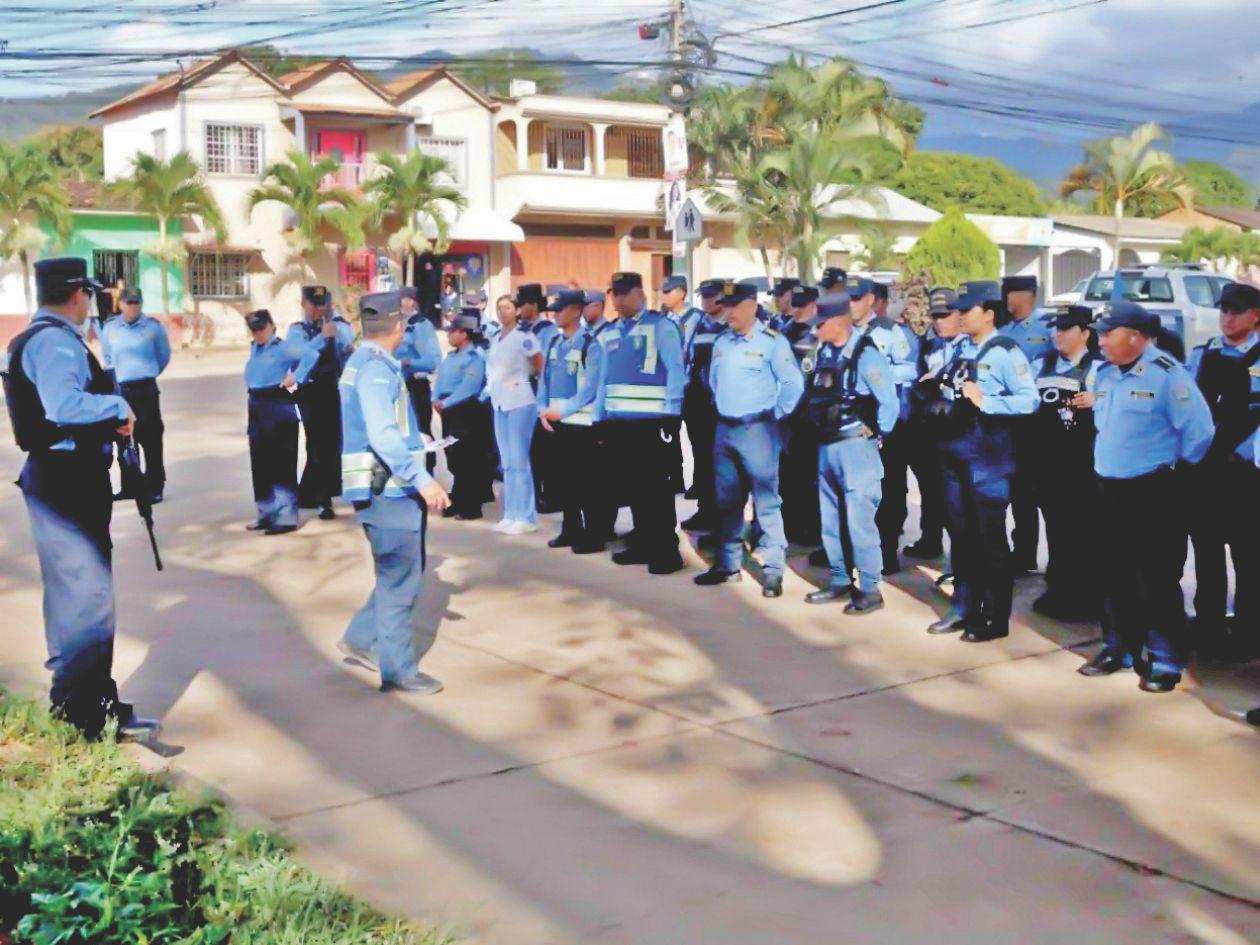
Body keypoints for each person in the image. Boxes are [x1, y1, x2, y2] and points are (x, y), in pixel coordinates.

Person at [3, 257, 159, 741]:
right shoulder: (54, 342)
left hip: (60, 478)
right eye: (87, 295)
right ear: (77, 295)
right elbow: (63, 405)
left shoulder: (40, 337)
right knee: (88, 600)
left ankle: (87, 701)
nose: (89, 304)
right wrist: (117, 406)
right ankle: (85, 714)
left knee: (74, 597)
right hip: (66, 481)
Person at [1082, 301, 1214, 692]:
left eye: (1109, 332)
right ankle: (1119, 645)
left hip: (1153, 491)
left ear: (1136, 337)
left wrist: (1170, 470)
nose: (1100, 339)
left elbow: (1200, 433)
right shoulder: (1104, 374)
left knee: (1157, 577)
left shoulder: (1168, 376)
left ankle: (1164, 656)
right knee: (1114, 572)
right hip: (1110, 487)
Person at [337, 291, 450, 695]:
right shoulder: (378, 370)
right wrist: (422, 478)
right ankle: (399, 670)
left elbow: (385, 425)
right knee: (401, 583)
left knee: (393, 577)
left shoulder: (362, 362)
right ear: (398, 327)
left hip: (374, 486)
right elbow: (382, 434)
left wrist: (415, 438)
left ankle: (361, 638)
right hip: (390, 488)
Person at [926, 290, 1038, 642]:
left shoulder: (1005, 351)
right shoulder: (962, 349)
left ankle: (994, 616)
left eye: (967, 310)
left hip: (987, 458)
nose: (960, 315)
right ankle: (964, 606)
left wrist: (988, 401)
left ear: (988, 313)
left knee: (989, 540)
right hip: (955, 451)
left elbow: (1029, 399)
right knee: (961, 536)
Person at [694, 281, 804, 596]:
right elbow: (714, 382)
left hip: (758, 429)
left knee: (766, 502)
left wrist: (775, 415)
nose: (727, 312)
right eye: (724, 306)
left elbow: (792, 384)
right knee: (727, 502)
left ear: (751, 306)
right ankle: (727, 565)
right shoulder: (722, 343)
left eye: (733, 306)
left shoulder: (773, 342)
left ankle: (772, 570)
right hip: (725, 428)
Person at [800, 293, 900, 612]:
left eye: (822, 323)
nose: (817, 329)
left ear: (839, 321)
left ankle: (870, 589)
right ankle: (840, 580)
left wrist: (878, 433)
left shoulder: (866, 353)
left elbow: (889, 402)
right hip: (827, 446)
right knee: (829, 521)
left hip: (856, 447)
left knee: (860, 523)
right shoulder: (824, 351)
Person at [1186, 282, 1260, 661]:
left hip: (1247, 476)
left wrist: (1243, 454)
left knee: (1249, 560)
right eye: (1224, 310)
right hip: (1205, 472)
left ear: (1255, 315)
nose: (1228, 318)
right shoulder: (1203, 354)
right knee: (1207, 554)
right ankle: (1210, 627)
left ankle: (1248, 634)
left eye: (1237, 311)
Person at [594, 271, 686, 574]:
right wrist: (600, 418)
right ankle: (644, 544)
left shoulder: (661, 326)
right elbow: (602, 379)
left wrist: (672, 414)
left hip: (652, 423)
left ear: (640, 293)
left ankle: (666, 552)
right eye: (614, 294)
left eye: (624, 293)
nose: (618, 300)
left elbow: (675, 370)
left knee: (656, 491)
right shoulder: (608, 332)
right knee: (633, 489)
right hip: (620, 424)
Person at [1028, 305, 1103, 621]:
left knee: (1083, 532)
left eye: (1066, 328)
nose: (1058, 334)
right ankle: (1058, 589)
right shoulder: (1040, 365)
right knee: (1056, 530)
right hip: (1048, 464)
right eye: (1056, 328)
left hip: (1082, 467)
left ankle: (1085, 595)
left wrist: (1098, 401)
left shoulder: (1099, 369)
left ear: (1085, 333)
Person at [849, 277, 917, 575]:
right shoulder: (842, 330)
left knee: (888, 487)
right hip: (853, 419)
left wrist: (876, 373)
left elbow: (908, 369)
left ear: (871, 300)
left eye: (856, 298)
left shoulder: (890, 331)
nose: (849, 304)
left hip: (886, 417)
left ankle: (887, 550)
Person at [538, 288, 606, 551]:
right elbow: (544, 380)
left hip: (581, 424)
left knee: (586, 483)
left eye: (561, 309)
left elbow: (589, 389)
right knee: (563, 481)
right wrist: (542, 410)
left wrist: (563, 410)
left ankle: (593, 535)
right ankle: (571, 528)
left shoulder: (590, 345)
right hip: (556, 423)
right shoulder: (554, 343)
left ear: (576, 311)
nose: (555, 314)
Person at [1000, 275, 1054, 574]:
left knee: (1031, 490)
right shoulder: (1004, 330)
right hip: (1007, 420)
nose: (1009, 298)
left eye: (1013, 292)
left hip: (1034, 422)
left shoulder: (1046, 329)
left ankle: (1033, 552)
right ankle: (1021, 552)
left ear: (1028, 294)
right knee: (1016, 491)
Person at [287, 285, 354, 520]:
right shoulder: (298, 329)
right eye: (314, 304)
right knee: (316, 443)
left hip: (334, 390)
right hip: (310, 391)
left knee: (332, 443)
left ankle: (317, 492)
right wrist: (320, 338)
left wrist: (332, 326)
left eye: (322, 304)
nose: (318, 308)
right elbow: (295, 352)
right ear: (303, 304)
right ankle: (322, 498)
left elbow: (348, 341)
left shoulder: (337, 324)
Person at [904, 287, 961, 560]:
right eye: (935, 316)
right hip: (932, 427)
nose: (939, 322)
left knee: (958, 501)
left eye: (945, 315)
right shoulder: (931, 345)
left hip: (962, 430)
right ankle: (931, 539)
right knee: (930, 487)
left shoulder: (970, 347)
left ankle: (961, 563)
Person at [100, 287, 171, 502]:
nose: (133, 307)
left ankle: (154, 487)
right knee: (124, 440)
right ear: (120, 304)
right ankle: (130, 485)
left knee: (150, 440)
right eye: (129, 303)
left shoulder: (153, 328)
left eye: (136, 303)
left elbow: (163, 356)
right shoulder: (110, 328)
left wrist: (146, 373)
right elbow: (107, 357)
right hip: (121, 392)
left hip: (145, 390)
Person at [485, 291, 544, 534]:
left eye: (508, 307)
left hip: (520, 399)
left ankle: (526, 516)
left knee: (520, 460)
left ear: (517, 311)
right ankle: (511, 512)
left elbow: (539, 365)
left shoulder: (524, 336)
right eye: (499, 308)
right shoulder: (496, 337)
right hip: (500, 401)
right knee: (507, 461)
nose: (503, 312)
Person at [243, 309, 301, 535]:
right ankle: (266, 513)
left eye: (261, 328)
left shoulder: (283, 347)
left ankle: (286, 517)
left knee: (281, 461)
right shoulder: (255, 348)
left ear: (271, 326)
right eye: (254, 330)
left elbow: (310, 356)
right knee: (260, 461)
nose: (258, 333)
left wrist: (296, 377)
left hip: (277, 403)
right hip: (256, 405)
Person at [679, 278, 727, 537]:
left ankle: (718, 515)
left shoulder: (728, 326)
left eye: (712, 296)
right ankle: (705, 509)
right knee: (701, 456)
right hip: (696, 398)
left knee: (717, 460)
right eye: (704, 296)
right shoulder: (698, 324)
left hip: (717, 401)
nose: (707, 301)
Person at [433, 310, 489, 521]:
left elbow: (469, 387)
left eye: (453, 331)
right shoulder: (451, 357)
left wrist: (446, 402)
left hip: (464, 409)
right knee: (453, 456)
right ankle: (458, 499)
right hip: (447, 409)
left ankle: (470, 505)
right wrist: (435, 399)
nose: (449, 335)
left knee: (467, 458)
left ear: (465, 334)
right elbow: (440, 381)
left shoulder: (474, 357)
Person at [780, 285, 823, 548]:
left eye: (802, 303)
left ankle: (810, 529)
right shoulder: (786, 330)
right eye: (794, 302)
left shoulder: (818, 333)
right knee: (789, 475)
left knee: (809, 476)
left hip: (810, 415)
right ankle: (793, 525)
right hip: (788, 415)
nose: (796, 307)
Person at [396, 286, 442, 473]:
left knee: (422, 432)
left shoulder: (421, 325)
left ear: (411, 302)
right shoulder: (400, 324)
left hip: (415, 386)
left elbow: (433, 360)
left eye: (402, 300)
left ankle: (427, 475)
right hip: (400, 387)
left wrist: (409, 363)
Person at [657, 275, 693, 496]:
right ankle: (675, 478)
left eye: (668, 291)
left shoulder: (697, 319)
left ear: (681, 292)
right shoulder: (662, 320)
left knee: (698, 442)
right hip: (670, 386)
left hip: (692, 386)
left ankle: (700, 485)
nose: (664, 295)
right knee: (669, 437)